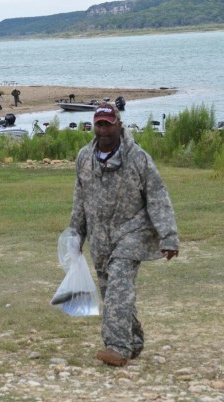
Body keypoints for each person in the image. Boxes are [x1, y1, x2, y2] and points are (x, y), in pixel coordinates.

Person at [69, 103, 179, 367]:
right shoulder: (85, 158)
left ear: (119, 125)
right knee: (112, 292)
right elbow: (79, 201)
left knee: (119, 285)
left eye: (108, 124)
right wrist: (75, 236)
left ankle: (117, 347)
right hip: (100, 237)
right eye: (99, 124)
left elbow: (157, 197)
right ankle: (134, 340)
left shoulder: (138, 158)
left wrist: (168, 236)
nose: (104, 130)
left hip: (133, 231)